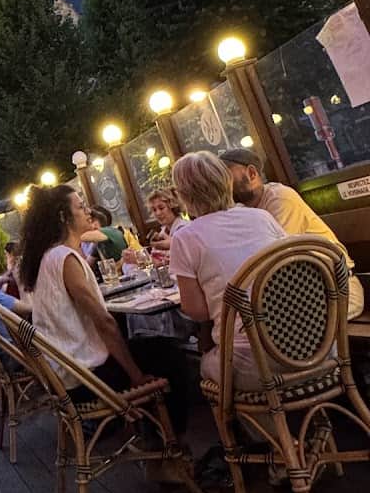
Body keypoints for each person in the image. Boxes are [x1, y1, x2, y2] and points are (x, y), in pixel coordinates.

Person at [19, 185, 188, 432]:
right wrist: (136, 376)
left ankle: (151, 435)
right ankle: (167, 448)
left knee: (144, 342)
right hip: (86, 379)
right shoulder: (66, 259)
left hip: (66, 374)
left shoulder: (48, 257)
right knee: (170, 356)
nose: (88, 212)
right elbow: (104, 322)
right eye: (81, 207)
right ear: (64, 217)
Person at [170, 152, 287, 390]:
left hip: (256, 364)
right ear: (225, 181)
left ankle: (266, 424)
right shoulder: (262, 217)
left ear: (183, 195)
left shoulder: (185, 238)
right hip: (315, 344)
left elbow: (198, 312)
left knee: (203, 365)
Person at [221, 146, 364, 319]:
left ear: (252, 173)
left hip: (338, 290)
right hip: (306, 295)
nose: (222, 184)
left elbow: (276, 257)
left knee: (276, 329)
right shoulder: (246, 212)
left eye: (226, 176)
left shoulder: (279, 197)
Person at [146, 187, 189, 251]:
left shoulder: (184, 229)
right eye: (154, 210)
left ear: (172, 207)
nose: (158, 213)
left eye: (161, 208)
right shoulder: (163, 232)